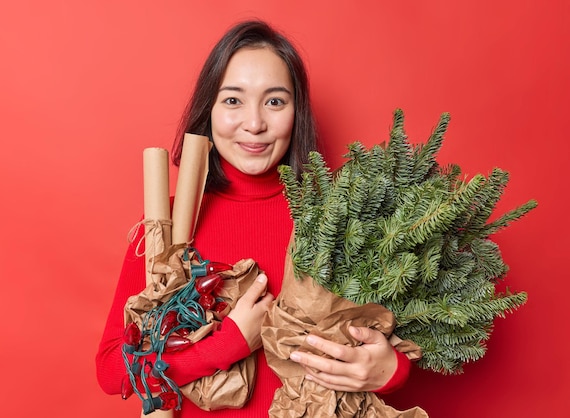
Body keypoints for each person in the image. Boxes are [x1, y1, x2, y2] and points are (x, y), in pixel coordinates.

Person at [96, 20, 411, 417]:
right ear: (206, 110)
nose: (255, 123)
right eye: (233, 101)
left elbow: (390, 339)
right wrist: (230, 343)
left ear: (298, 112)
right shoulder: (171, 223)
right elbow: (112, 371)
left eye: (275, 101)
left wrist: (390, 370)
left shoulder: (338, 216)